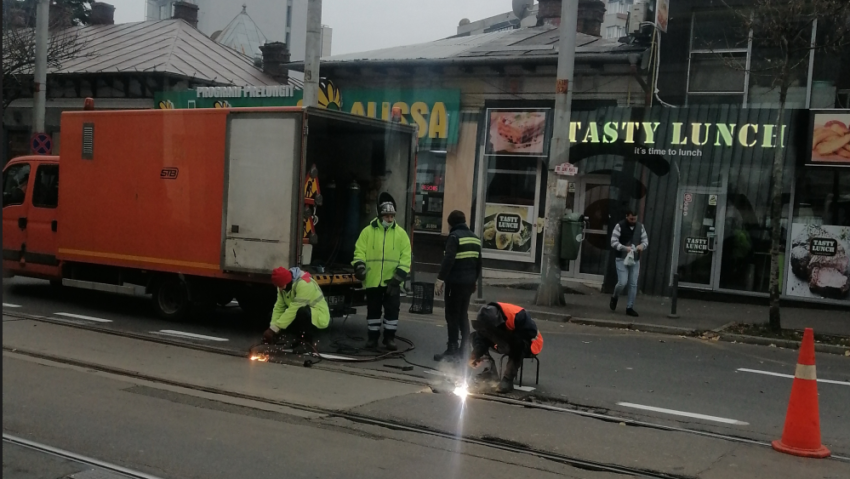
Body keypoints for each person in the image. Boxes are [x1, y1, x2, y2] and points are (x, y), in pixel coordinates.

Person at [352, 195, 412, 351]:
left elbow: (406, 258)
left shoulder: (401, 234)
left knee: (392, 311)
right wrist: (359, 267)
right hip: (373, 281)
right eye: (387, 216)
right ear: (380, 215)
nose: (390, 219)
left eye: (392, 216)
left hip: (392, 282)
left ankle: (389, 338)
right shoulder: (367, 232)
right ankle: (372, 338)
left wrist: (397, 278)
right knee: (373, 311)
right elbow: (359, 252)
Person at [434, 210, 482, 362]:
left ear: (451, 223)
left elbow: (448, 259)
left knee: (452, 315)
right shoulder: (475, 239)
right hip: (468, 284)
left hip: (454, 283)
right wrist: (474, 281)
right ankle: (465, 348)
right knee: (463, 314)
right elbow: (479, 264)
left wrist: (440, 279)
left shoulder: (454, 237)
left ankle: (452, 348)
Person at [468, 303, 543, 393]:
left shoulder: (519, 316)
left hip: (531, 344)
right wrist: (475, 355)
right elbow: (482, 338)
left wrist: (507, 338)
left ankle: (507, 379)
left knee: (518, 344)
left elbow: (530, 334)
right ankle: (489, 371)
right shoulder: (489, 316)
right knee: (476, 336)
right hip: (505, 341)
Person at [262, 267, 330, 348]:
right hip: (298, 312)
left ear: (287, 282)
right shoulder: (282, 286)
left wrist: (276, 327)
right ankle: (286, 340)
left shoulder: (304, 284)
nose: (280, 289)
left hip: (319, 317)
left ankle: (306, 343)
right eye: (278, 286)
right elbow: (279, 307)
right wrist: (272, 328)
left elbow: (294, 309)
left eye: (281, 286)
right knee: (274, 315)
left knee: (301, 312)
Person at [610, 209, 649, 317]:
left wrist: (642, 246)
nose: (633, 221)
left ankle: (629, 307)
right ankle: (615, 296)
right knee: (622, 282)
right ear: (626, 216)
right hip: (621, 258)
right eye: (631, 218)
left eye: (635, 219)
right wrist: (624, 248)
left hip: (635, 259)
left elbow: (645, 241)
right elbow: (613, 242)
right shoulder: (619, 226)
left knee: (633, 284)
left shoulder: (640, 227)